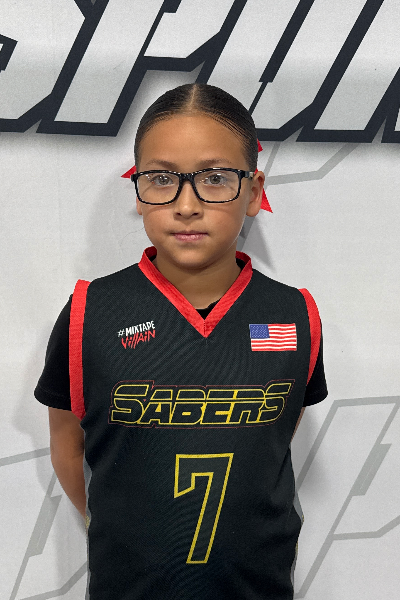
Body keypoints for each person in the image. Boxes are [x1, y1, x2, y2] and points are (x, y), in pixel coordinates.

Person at [35, 83, 328, 600]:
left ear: (254, 191)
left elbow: (275, 441)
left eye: (214, 178)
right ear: (138, 189)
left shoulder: (294, 314)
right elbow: (67, 446)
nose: (186, 205)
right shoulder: (90, 311)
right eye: (161, 178)